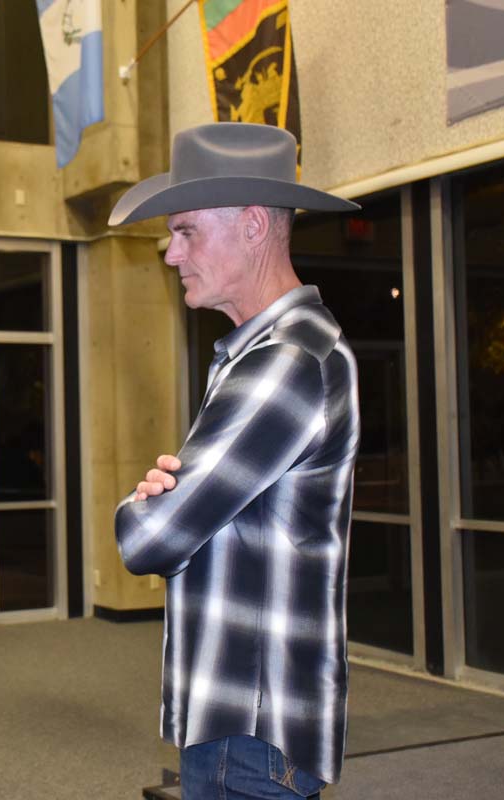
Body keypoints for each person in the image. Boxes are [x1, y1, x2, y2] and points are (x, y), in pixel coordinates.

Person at [109, 123, 362, 799]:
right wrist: (169, 505)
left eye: (186, 230)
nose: (170, 253)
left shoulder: (286, 362)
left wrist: (142, 506)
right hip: (250, 726)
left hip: (250, 733)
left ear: (253, 225)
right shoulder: (264, 354)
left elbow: (153, 538)